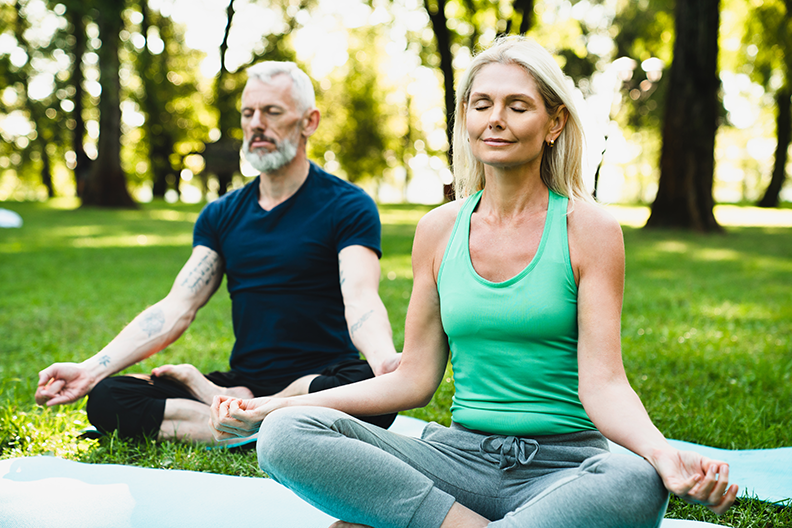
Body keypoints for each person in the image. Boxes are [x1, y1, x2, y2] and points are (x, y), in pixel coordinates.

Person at [209, 38, 739, 527]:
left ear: (553, 123)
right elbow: (413, 379)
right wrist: (277, 405)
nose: (496, 120)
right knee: (285, 435)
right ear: (465, 118)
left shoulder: (590, 229)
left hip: (564, 467)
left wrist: (661, 452)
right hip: (457, 459)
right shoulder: (438, 230)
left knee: (635, 480)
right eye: (481, 104)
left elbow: (604, 385)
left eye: (518, 105)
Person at [35, 61, 400, 444]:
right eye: (248, 113)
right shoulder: (221, 215)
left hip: (321, 380)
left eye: (272, 112)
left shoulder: (347, 205)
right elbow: (177, 307)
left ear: (309, 121)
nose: (256, 123)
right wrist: (91, 369)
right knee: (110, 397)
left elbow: (361, 298)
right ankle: (262, 422)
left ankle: (243, 416)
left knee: (372, 389)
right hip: (245, 382)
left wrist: (383, 361)